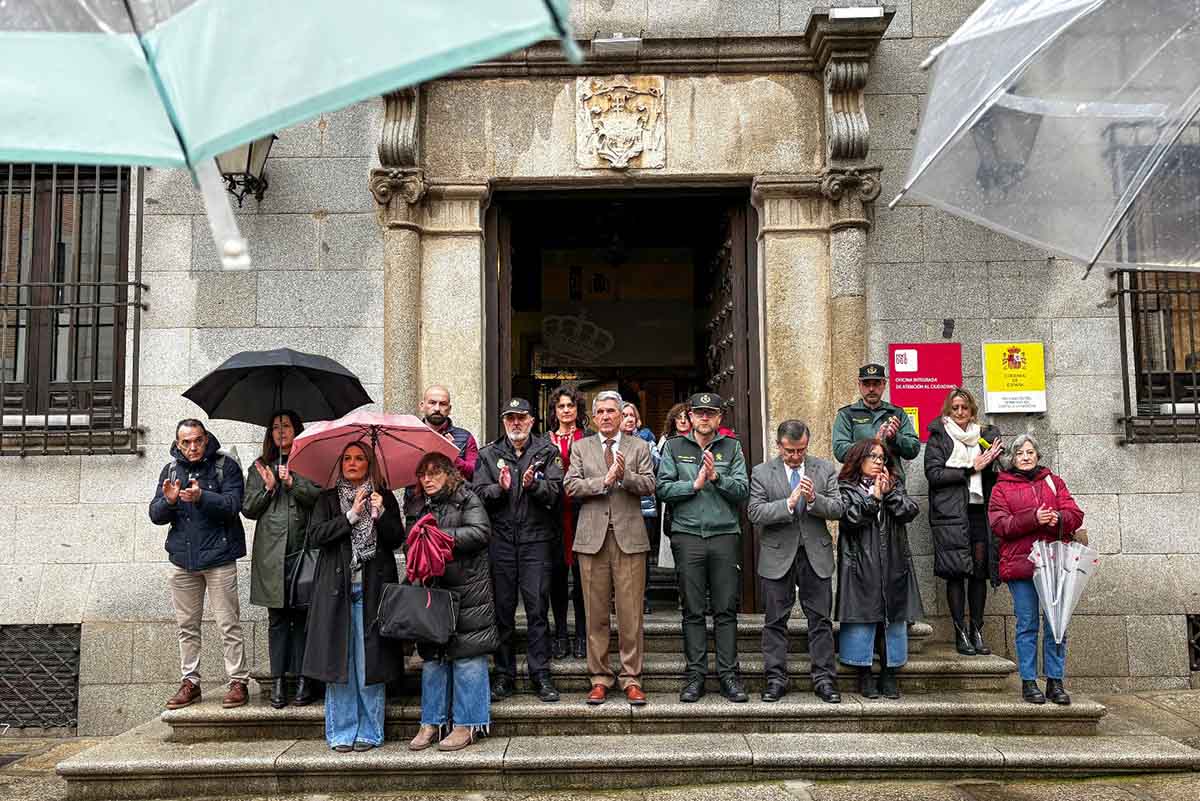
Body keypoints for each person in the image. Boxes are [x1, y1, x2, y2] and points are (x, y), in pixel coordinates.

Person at [303, 442, 404, 752]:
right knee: (340, 663)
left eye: (360, 458)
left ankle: (371, 732)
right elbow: (316, 536)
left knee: (368, 664)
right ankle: (342, 732)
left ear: (369, 463)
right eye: (347, 458)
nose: (352, 463)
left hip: (373, 591)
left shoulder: (383, 497)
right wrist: (350, 516)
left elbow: (397, 539)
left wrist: (381, 514)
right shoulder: (328, 499)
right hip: (337, 592)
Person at [656, 392, 750, 703]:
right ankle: (695, 675)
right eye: (699, 413)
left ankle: (728, 675)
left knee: (725, 610)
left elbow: (742, 490)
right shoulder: (674, 447)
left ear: (720, 418)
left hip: (724, 535)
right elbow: (663, 488)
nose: (705, 418)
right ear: (691, 416)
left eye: (711, 413)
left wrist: (716, 477)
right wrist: (693, 485)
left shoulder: (732, 448)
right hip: (688, 535)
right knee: (692, 610)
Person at [149, 419, 249, 710]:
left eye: (197, 441)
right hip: (183, 560)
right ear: (178, 444)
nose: (192, 447)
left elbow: (234, 505)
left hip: (218, 558)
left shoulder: (224, 466)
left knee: (228, 623)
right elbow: (155, 514)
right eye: (186, 442)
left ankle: (237, 681)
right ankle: (190, 681)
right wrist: (168, 502)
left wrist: (203, 497)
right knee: (187, 626)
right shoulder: (170, 470)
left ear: (206, 440)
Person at [564, 391, 656, 706]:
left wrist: (624, 476)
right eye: (600, 411)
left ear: (621, 415)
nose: (605, 416)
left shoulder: (638, 446)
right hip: (592, 540)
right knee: (595, 615)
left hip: (629, 539)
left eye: (611, 411)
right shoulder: (581, 447)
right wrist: (603, 481)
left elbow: (650, 484)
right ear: (593, 417)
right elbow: (571, 485)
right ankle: (600, 677)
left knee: (631, 615)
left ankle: (632, 678)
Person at [404, 453, 498, 752]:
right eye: (423, 474)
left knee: (468, 657)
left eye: (434, 473)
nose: (427, 479)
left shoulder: (466, 497)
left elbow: (481, 533)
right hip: (435, 591)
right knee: (433, 659)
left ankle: (466, 725)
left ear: (449, 474)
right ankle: (431, 722)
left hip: (468, 591)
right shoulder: (421, 505)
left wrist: (438, 536)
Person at [473, 397, 565, 703]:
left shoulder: (546, 452)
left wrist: (532, 486)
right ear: (503, 422)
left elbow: (556, 492)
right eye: (510, 418)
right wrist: (499, 488)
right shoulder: (488, 454)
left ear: (531, 421)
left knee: (538, 609)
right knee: (502, 611)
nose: (516, 423)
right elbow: (477, 494)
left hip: (536, 541)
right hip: (500, 543)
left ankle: (541, 674)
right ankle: (504, 674)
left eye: (521, 418)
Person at [747, 420, 844, 704]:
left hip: (815, 554)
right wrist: (788, 504)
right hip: (778, 555)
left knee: (821, 620)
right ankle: (776, 678)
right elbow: (755, 512)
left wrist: (814, 500)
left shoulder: (824, 469)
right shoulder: (762, 473)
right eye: (790, 451)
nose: (795, 456)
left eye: (801, 450)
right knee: (775, 621)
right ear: (779, 446)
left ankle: (824, 679)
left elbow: (838, 508)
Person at [989, 433, 1084, 706]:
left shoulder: (1054, 482)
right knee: (1027, 623)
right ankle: (1029, 682)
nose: (1026, 457)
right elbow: (1000, 525)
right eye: (1020, 453)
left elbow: (1075, 515)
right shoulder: (1002, 488)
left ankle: (1055, 681)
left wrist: (1057, 518)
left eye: (1030, 452)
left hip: (1054, 565)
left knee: (1057, 623)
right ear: (1013, 459)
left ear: (1038, 456)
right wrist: (1033, 518)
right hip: (1022, 566)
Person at [243, 410, 322, 708]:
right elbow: (248, 508)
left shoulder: (308, 464)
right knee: (277, 620)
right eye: (275, 427)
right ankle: (278, 681)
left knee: (302, 617)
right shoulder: (259, 467)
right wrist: (269, 487)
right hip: (271, 556)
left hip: (303, 551)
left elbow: (317, 496)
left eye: (286, 426)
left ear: (296, 430)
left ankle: (303, 679)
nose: (281, 432)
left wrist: (292, 482)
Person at [835, 438, 923, 700]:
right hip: (860, 562)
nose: (878, 461)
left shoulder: (893, 485)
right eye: (872, 456)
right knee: (863, 617)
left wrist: (889, 494)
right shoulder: (845, 488)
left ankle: (889, 672)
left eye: (881, 458)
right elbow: (850, 519)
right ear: (858, 459)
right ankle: (864, 674)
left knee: (893, 618)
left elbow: (910, 511)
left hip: (893, 561)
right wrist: (873, 499)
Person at [924, 388, 1003, 657]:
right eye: (955, 408)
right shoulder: (939, 436)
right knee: (956, 573)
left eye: (965, 408)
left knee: (979, 572)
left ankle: (976, 630)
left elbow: (997, 471)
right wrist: (972, 468)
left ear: (972, 411)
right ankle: (960, 632)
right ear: (948, 410)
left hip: (979, 511)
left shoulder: (983, 435)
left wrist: (993, 459)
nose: (960, 413)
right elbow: (933, 474)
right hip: (950, 515)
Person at [546, 386, 589, 660]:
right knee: (557, 579)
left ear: (577, 410)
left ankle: (583, 634)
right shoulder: (544, 441)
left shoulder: (589, 439)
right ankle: (561, 633)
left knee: (584, 581)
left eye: (570, 406)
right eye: (561, 406)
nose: (566, 411)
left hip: (583, 515)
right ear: (555, 411)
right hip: (553, 518)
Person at [832, 363, 920, 463]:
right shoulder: (847, 414)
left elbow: (914, 450)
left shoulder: (897, 413)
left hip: (891, 476)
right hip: (857, 477)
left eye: (876, 384)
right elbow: (840, 451)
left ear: (884, 385)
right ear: (859, 385)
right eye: (866, 384)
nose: (871, 389)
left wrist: (895, 438)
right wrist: (873, 444)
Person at [622, 401, 659, 615]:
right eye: (624, 414)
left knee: (641, 557)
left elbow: (655, 467)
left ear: (638, 420)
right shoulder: (610, 442)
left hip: (643, 508)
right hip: (619, 506)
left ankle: (642, 596)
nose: (628, 418)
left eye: (631, 415)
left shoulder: (647, 441)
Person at [654, 402, 691, 572]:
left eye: (686, 417)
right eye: (679, 418)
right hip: (672, 491)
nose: (683, 421)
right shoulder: (665, 440)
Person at [421, 385, 480, 480]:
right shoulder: (410, 435)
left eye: (443, 404)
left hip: (453, 494)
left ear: (449, 409)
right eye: (432, 403)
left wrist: (452, 455)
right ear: (422, 406)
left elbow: (476, 473)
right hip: (416, 494)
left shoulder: (465, 437)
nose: (437, 408)